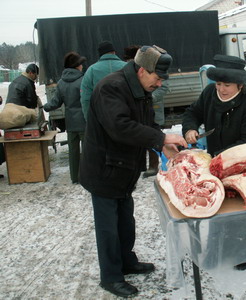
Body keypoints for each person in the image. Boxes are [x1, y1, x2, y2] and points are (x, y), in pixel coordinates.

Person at [79, 45, 187, 298]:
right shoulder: (111, 87)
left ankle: (127, 261)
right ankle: (111, 277)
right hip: (104, 169)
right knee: (108, 228)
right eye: (157, 78)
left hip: (124, 169)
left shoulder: (140, 88)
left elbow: (146, 123)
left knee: (125, 222)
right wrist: (160, 137)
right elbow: (120, 127)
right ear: (141, 70)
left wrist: (162, 146)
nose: (159, 84)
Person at [182, 54, 246, 271]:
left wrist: (219, 158)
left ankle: (244, 251)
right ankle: (215, 247)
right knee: (217, 207)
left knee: (241, 210)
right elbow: (193, 112)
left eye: (227, 84)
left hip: (242, 166)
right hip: (214, 163)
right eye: (218, 83)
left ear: (240, 84)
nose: (221, 89)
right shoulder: (210, 93)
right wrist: (190, 128)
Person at [123, 45, 169, 178]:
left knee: (151, 134)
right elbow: (123, 127)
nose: (159, 84)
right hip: (112, 175)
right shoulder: (116, 86)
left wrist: (163, 143)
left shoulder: (149, 79)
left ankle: (152, 166)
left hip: (153, 107)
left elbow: (149, 124)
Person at [44, 52, 87, 184]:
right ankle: (87, 177)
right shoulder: (83, 80)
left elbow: (55, 102)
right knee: (87, 151)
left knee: (73, 152)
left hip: (71, 123)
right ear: (76, 66)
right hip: (84, 122)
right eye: (80, 64)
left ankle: (74, 177)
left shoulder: (61, 83)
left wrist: (45, 107)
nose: (82, 66)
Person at [80, 41, 126, 120]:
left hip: (103, 119)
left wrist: (89, 120)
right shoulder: (127, 67)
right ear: (114, 52)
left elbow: (86, 99)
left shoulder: (91, 70)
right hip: (127, 117)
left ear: (100, 54)